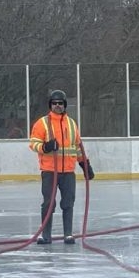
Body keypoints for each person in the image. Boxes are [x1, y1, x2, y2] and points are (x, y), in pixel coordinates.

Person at [29, 90, 94, 245]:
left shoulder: (71, 123)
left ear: (64, 105)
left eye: (60, 103)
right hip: (50, 171)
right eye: (54, 103)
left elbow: (77, 147)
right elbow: (33, 144)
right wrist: (46, 146)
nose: (57, 106)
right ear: (50, 105)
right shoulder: (42, 123)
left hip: (68, 172)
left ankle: (68, 234)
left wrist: (85, 164)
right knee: (48, 203)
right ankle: (46, 235)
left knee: (68, 202)